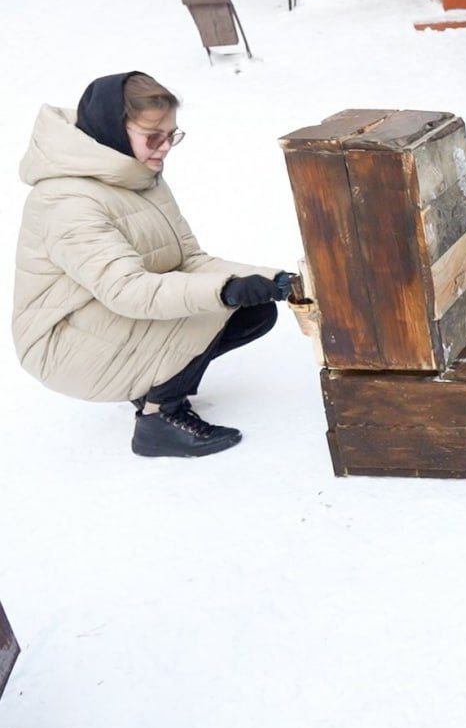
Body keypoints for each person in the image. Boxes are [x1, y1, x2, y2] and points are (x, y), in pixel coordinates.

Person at [13, 73, 291, 459]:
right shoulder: (67, 201)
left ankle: (154, 386)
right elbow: (128, 290)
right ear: (113, 129)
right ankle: (160, 418)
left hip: (102, 319)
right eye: (152, 137)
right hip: (63, 343)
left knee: (253, 309)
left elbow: (189, 261)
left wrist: (273, 280)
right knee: (213, 307)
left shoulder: (138, 174)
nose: (165, 148)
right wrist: (225, 290)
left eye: (171, 135)